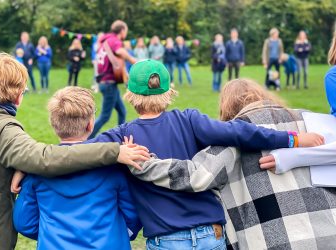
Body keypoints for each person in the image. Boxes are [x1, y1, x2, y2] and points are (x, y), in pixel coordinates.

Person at [88, 60, 319, 250]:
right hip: (211, 233)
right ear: (169, 92)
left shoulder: (122, 137)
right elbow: (239, 131)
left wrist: (117, 151)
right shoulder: (189, 119)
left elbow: (80, 151)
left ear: (130, 94)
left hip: (167, 239)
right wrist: (293, 139)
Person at [0, 53, 149, 250]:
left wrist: (21, 166)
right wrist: (113, 152)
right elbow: (45, 159)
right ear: (16, 95)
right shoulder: (3, 129)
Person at [13, 86, 142, 250]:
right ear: (90, 125)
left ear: (54, 124)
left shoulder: (38, 170)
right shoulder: (113, 169)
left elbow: (24, 222)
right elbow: (132, 214)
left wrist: (53, 234)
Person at [259, 30, 336, 171]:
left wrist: (294, 157)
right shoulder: (333, 76)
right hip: (272, 59)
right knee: (274, 74)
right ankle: (273, 84)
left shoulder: (280, 42)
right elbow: (267, 51)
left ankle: (276, 84)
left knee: (282, 73)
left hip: (280, 60)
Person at [89, 20, 137, 138]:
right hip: (109, 83)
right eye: (126, 30)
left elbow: (117, 61)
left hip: (107, 83)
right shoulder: (114, 40)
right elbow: (120, 51)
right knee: (105, 116)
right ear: (122, 31)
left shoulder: (105, 41)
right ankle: (86, 138)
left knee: (122, 111)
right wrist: (133, 61)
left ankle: (121, 137)